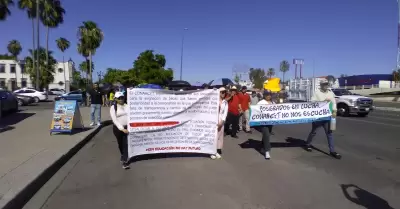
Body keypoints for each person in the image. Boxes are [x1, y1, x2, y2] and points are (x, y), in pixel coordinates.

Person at [304, 80, 341, 159]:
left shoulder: (330, 93)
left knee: (329, 134)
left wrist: (334, 112)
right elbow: (312, 102)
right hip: (318, 117)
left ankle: (332, 151)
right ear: (321, 85)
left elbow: (334, 103)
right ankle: (307, 144)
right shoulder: (317, 93)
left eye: (327, 84)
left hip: (328, 117)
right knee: (314, 132)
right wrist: (322, 101)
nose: (325, 86)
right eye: (324, 84)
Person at [110, 92, 130, 169]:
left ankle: (125, 161)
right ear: (115, 99)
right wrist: (121, 128)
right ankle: (122, 154)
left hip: (127, 128)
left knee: (126, 144)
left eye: (122, 97)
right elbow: (114, 120)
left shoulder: (127, 106)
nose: (121, 99)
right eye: (119, 98)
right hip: (118, 129)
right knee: (120, 143)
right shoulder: (113, 107)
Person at [211, 87, 228, 159]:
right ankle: (212, 151)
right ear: (219, 92)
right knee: (214, 136)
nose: (223, 93)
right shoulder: (214, 101)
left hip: (221, 120)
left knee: (220, 137)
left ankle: (217, 151)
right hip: (214, 120)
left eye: (224, 92)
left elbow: (225, 113)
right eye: (222, 92)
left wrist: (222, 121)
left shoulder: (225, 102)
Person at [257, 91, 275, 159]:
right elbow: (256, 110)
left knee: (266, 135)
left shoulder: (273, 102)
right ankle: (267, 151)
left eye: (270, 95)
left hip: (270, 122)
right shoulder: (261, 102)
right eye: (267, 95)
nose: (268, 96)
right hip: (263, 122)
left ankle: (262, 147)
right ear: (264, 96)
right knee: (266, 135)